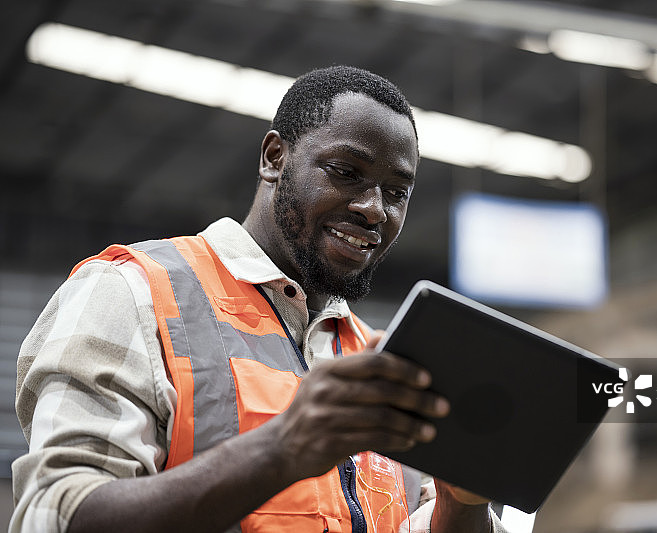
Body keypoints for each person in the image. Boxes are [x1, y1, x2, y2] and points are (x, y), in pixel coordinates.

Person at [11, 66, 507, 533]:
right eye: (345, 171)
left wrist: (463, 502)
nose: (373, 209)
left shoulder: (382, 360)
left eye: (396, 192)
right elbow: (56, 515)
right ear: (274, 158)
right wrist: (283, 447)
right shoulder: (133, 292)